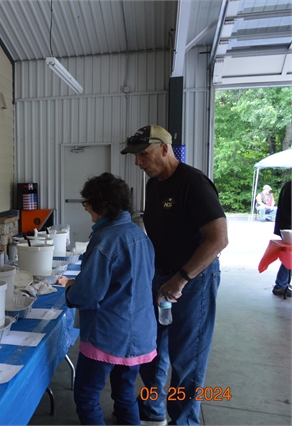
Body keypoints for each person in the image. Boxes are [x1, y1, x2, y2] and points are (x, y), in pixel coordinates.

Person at [121, 125, 229, 425]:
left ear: (164, 148)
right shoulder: (154, 183)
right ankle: (154, 412)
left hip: (193, 281)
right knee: (150, 349)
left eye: (143, 154)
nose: (138, 163)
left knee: (187, 360)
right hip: (160, 277)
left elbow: (218, 239)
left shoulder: (192, 183)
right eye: (136, 156)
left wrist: (181, 279)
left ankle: (184, 421)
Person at [63, 172, 157, 425]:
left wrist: (70, 291)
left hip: (108, 334)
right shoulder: (140, 235)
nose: (86, 209)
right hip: (140, 332)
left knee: (86, 396)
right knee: (125, 394)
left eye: (87, 203)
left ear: (100, 205)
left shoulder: (105, 239)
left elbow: (88, 295)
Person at [272, 181, 291, 297]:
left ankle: (282, 284)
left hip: (286, 226)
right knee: (290, 256)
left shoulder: (288, 185)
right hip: (289, 227)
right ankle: (281, 285)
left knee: (290, 256)